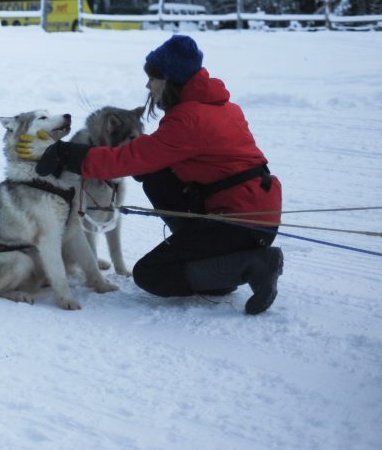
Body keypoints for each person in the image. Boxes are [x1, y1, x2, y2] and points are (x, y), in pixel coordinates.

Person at [32, 35, 284, 315]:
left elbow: (130, 157)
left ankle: (253, 264)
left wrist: (70, 155)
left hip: (239, 221)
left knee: (152, 274)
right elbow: (149, 155)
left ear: (168, 79)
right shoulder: (221, 107)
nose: (147, 86)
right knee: (153, 172)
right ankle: (221, 267)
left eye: (151, 78)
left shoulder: (189, 119)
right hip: (254, 215)